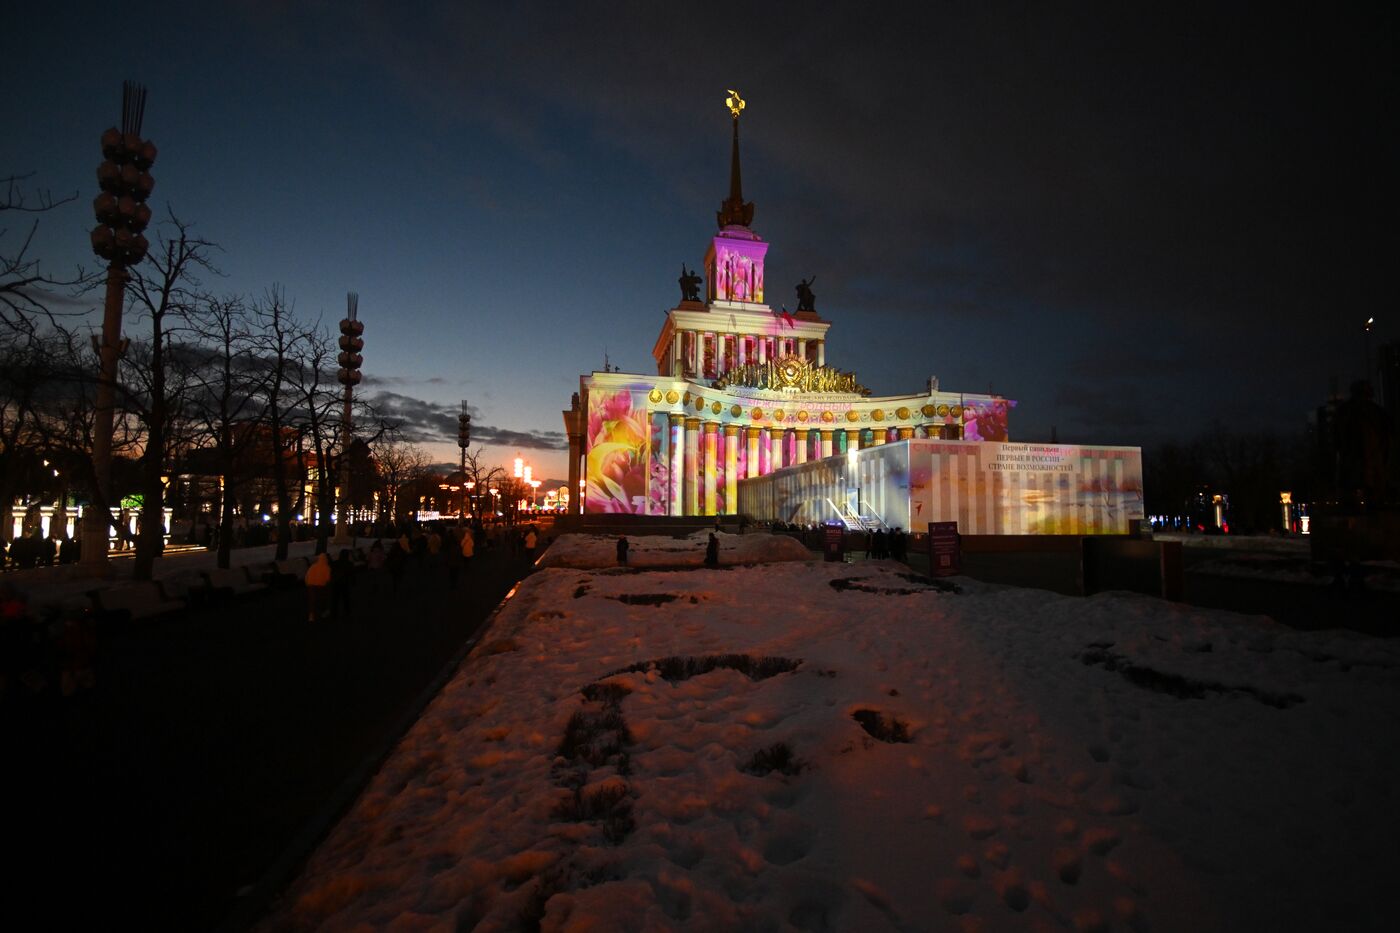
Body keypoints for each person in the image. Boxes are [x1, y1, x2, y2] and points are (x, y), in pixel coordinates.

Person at [304, 553, 331, 622]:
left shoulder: (313, 566)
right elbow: (327, 579)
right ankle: (323, 612)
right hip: (320, 586)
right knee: (322, 599)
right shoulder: (326, 567)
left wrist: (308, 584)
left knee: (312, 601)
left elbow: (307, 576)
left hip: (311, 586)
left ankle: (311, 615)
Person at [330, 550, 355, 620]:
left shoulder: (335, 563)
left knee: (335, 599)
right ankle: (347, 612)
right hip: (344, 583)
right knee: (345, 598)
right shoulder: (349, 564)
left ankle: (334, 613)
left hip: (336, 583)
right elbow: (352, 574)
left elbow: (331, 572)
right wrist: (353, 582)